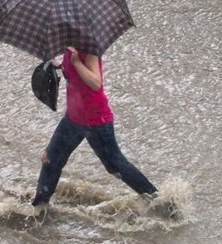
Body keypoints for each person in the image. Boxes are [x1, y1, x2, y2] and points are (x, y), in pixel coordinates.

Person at [31, 46, 158, 208]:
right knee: (50, 159)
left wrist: (76, 63)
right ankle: (39, 208)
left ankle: (156, 200)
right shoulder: (70, 47)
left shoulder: (89, 49)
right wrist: (56, 64)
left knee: (114, 165)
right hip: (73, 118)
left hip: (95, 119)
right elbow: (70, 69)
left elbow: (95, 82)